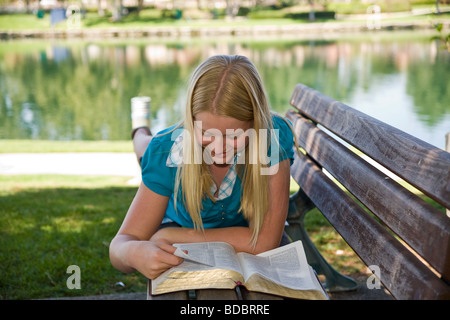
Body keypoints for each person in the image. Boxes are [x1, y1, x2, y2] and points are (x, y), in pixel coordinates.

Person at [109, 55, 297, 280]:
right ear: (190, 120)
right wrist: (134, 252)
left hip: (180, 227)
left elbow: (264, 242)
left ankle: (143, 134)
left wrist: (171, 235)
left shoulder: (272, 139)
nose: (219, 149)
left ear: (256, 123)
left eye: (233, 136)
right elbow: (120, 245)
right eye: (206, 133)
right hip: (166, 150)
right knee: (147, 146)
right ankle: (140, 131)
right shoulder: (166, 152)